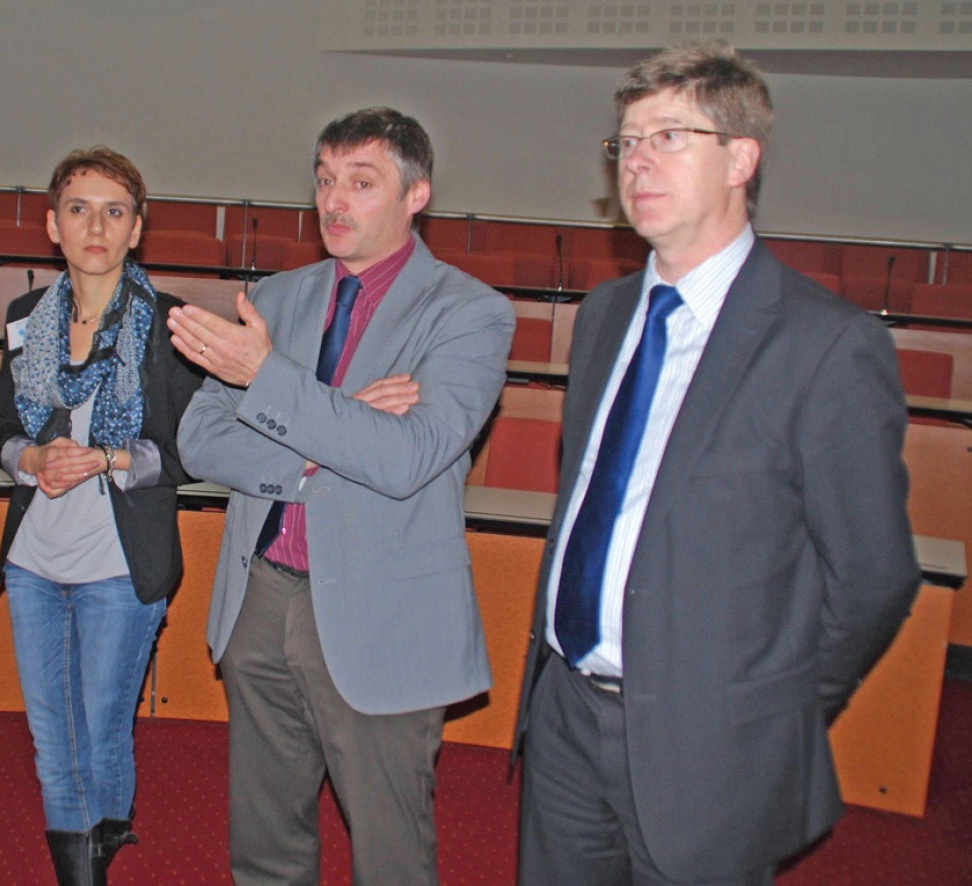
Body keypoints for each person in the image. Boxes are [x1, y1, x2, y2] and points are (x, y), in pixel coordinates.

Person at [514, 41, 922, 885]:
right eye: (627, 143)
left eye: (670, 137)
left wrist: (771, 716)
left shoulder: (824, 344)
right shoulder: (604, 315)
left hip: (712, 747)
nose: (639, 162)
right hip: (563, 715)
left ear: (741, 158)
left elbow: (874, 576)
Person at [170, 107, 515, 885]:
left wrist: (271, 384)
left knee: (391, 855)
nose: (334, 201)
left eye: (362, 182)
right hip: (259, 597)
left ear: (416, 194)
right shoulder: (278, 297)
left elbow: (406, 458)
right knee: (264, 846)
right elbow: (201, 439)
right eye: (325, 180)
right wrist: (332, 439)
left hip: (379, 610)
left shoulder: (470, 314)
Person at [0, 146, 203, 886]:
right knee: (53, 742)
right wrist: (31, 459)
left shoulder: (170, 326)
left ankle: (97, 850)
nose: (96, 225)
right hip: (34, 563)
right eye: (80, 209)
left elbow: (189, 451)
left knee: (101, 738)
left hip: (120, 563)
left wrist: (108, 459)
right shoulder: (25, 318)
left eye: (115, 211)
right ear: (53, 225)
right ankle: (90, 862)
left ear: (137, 229)